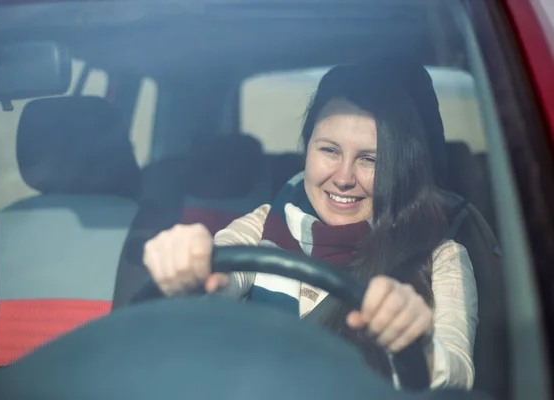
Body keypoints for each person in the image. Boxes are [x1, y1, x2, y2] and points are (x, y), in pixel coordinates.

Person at [142, 61, 478, 390]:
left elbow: (458, 373)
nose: (343, 178)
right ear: (306, 150)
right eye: (329, 150)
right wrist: (190, 267)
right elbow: (221, 276)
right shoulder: (263, 224)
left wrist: (416, 342)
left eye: (369, 159)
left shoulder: (441, 257)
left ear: (401, 168)